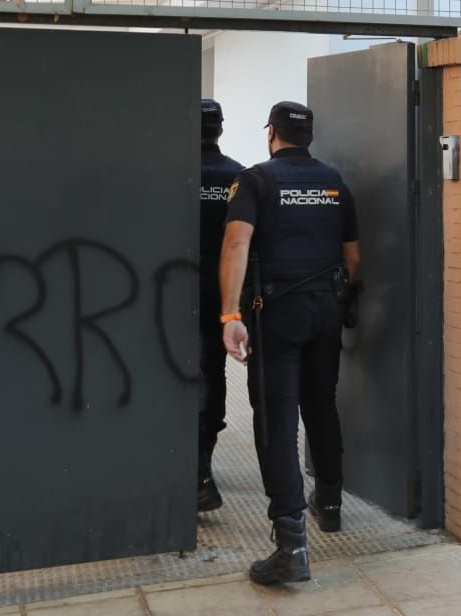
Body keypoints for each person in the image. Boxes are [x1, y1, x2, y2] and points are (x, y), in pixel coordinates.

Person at [218, 101, 360, 586]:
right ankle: (332, 504)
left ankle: (291, 544)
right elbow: (353, 255)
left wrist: (230, 313)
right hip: (327, 307)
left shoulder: (255, 180)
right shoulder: (334, 181)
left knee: (277, 419)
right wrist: (343, 301)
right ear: (311, 138)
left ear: (270, 133)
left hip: (276, 312)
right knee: (321, 405)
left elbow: (237, 243)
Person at [196, 99, 243, 512]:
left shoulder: (171, 171)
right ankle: (201, 471)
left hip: (169, 292)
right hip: (221, 294)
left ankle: (186, 466)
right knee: (212, 371)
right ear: (220, 130)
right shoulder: (239, 175)